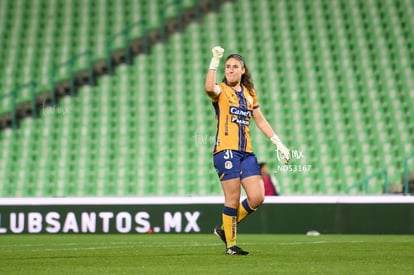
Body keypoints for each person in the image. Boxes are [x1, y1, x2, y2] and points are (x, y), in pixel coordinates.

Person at [204, 46, 290, 255]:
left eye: (235, 67)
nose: (230, 70)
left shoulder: (250, 94)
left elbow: (259, 119)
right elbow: (208, 88)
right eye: (228, 67)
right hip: (226, 151)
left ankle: (225, 229)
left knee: (257, 197)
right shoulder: (221, 90)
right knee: (232, 199)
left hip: (246, 153)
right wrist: (214, 61)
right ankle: (231, 246)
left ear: (243, 70)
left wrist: (278, 142)